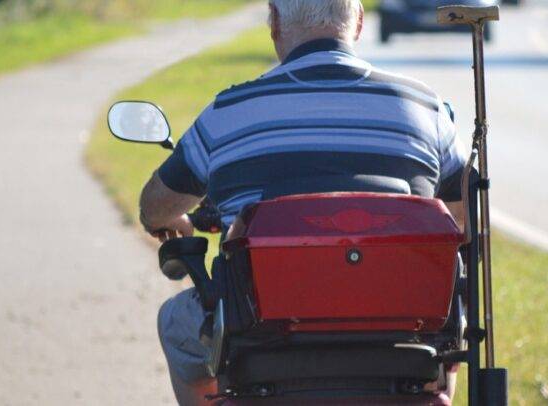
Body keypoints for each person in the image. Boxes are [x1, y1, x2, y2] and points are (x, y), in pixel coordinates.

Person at [139, 0, 466, 404]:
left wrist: (182, 223)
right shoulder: (425, 107)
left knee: (176, 323)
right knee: (455, 295)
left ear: (274, 23)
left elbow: (154, 207)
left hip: (260, 342)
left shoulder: (228, 112)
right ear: (359, 23)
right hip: (404, 341)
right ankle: (440, 394)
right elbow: (464, 219)